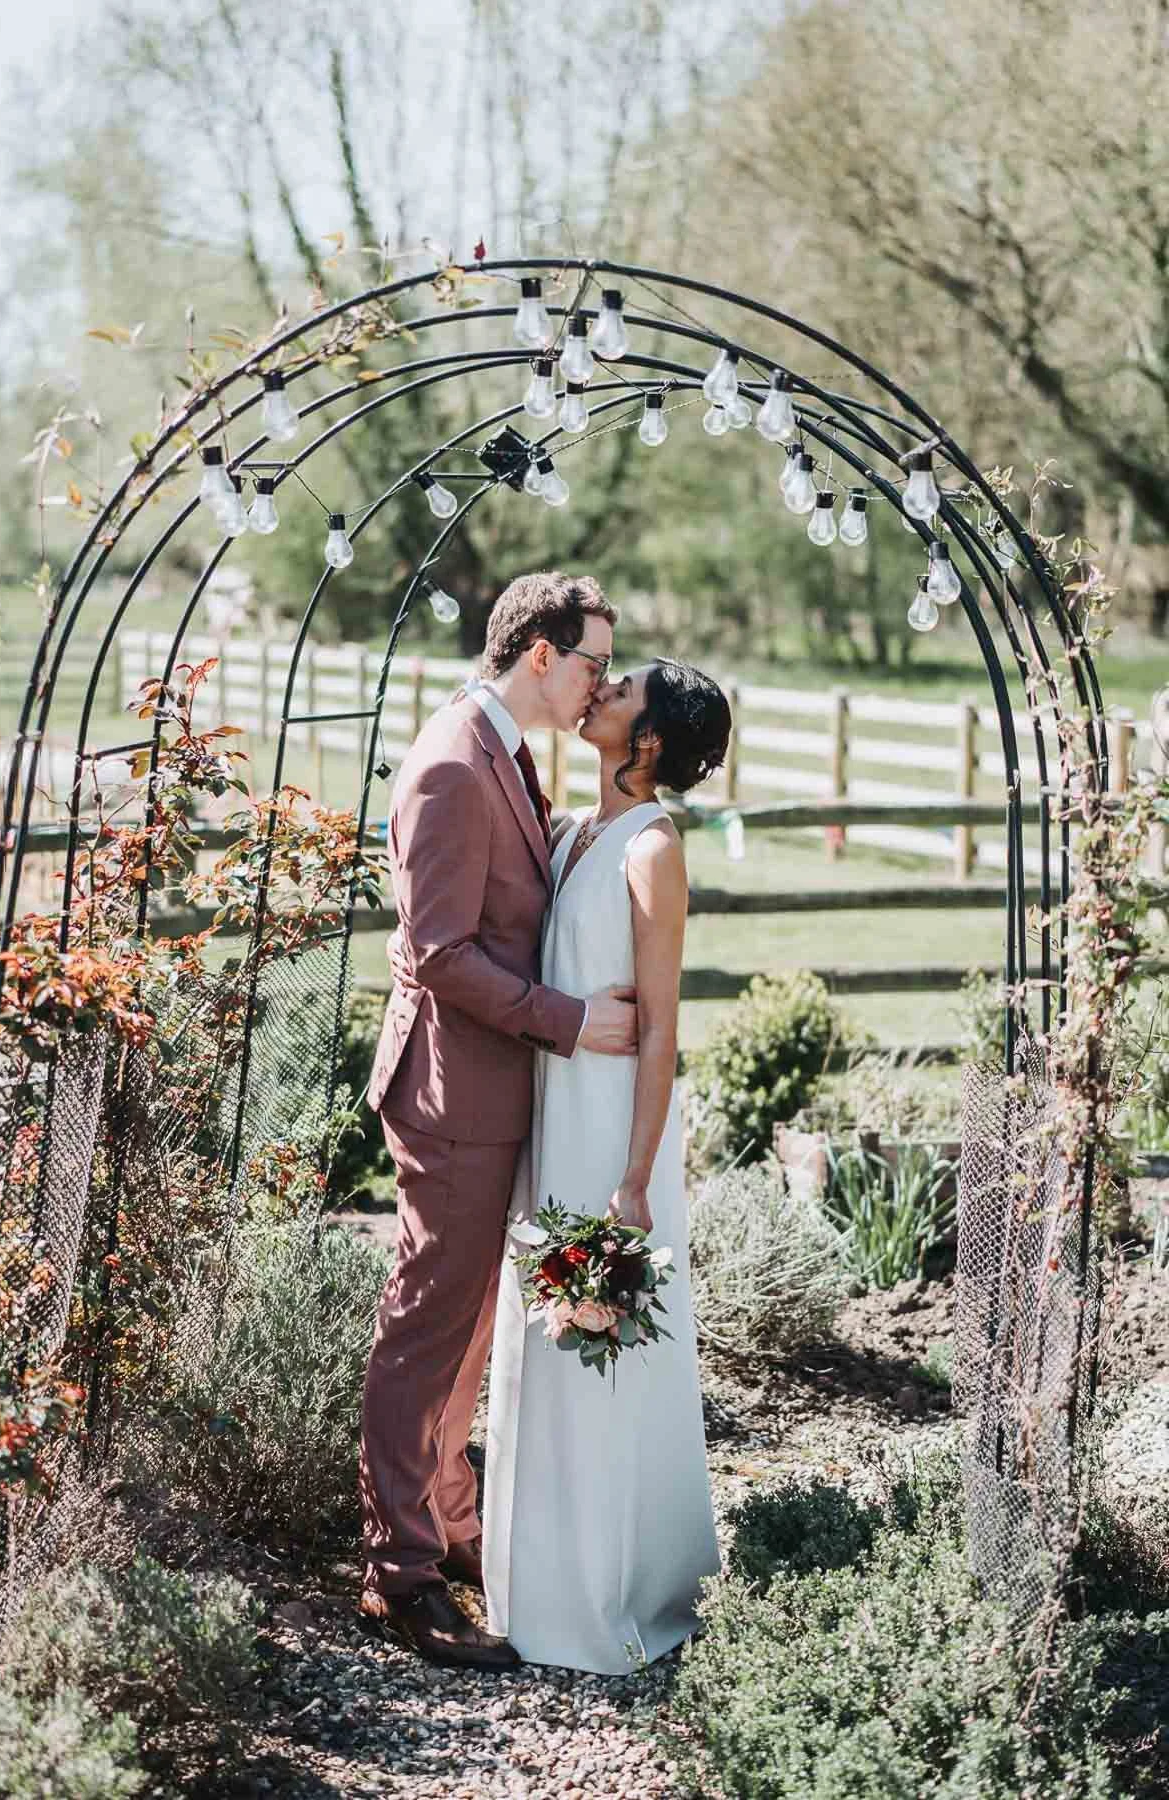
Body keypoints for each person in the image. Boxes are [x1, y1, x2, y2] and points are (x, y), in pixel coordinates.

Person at [358, 570, 639, 1671]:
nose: (599, 684)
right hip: (450, 1095)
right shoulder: (447, 764)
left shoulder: (507, 758)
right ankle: (399, 1576)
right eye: (592, 663)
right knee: (429, 1328)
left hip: (490, 1090)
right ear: (538, 656)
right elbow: (436, 953)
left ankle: (454, 1524)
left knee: (472, 1328)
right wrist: (567, 1020)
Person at [483, 657, 731, 1674]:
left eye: (620, 690)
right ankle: (532, 1580)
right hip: (555, 1119)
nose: (598, 694)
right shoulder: (573, 833)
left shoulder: (653, 847)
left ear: (653, 741)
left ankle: (610, 1589)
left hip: (613, 1139)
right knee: (543, 1343)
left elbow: (664, 1027)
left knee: (606, 1350)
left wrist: (636, 1178)